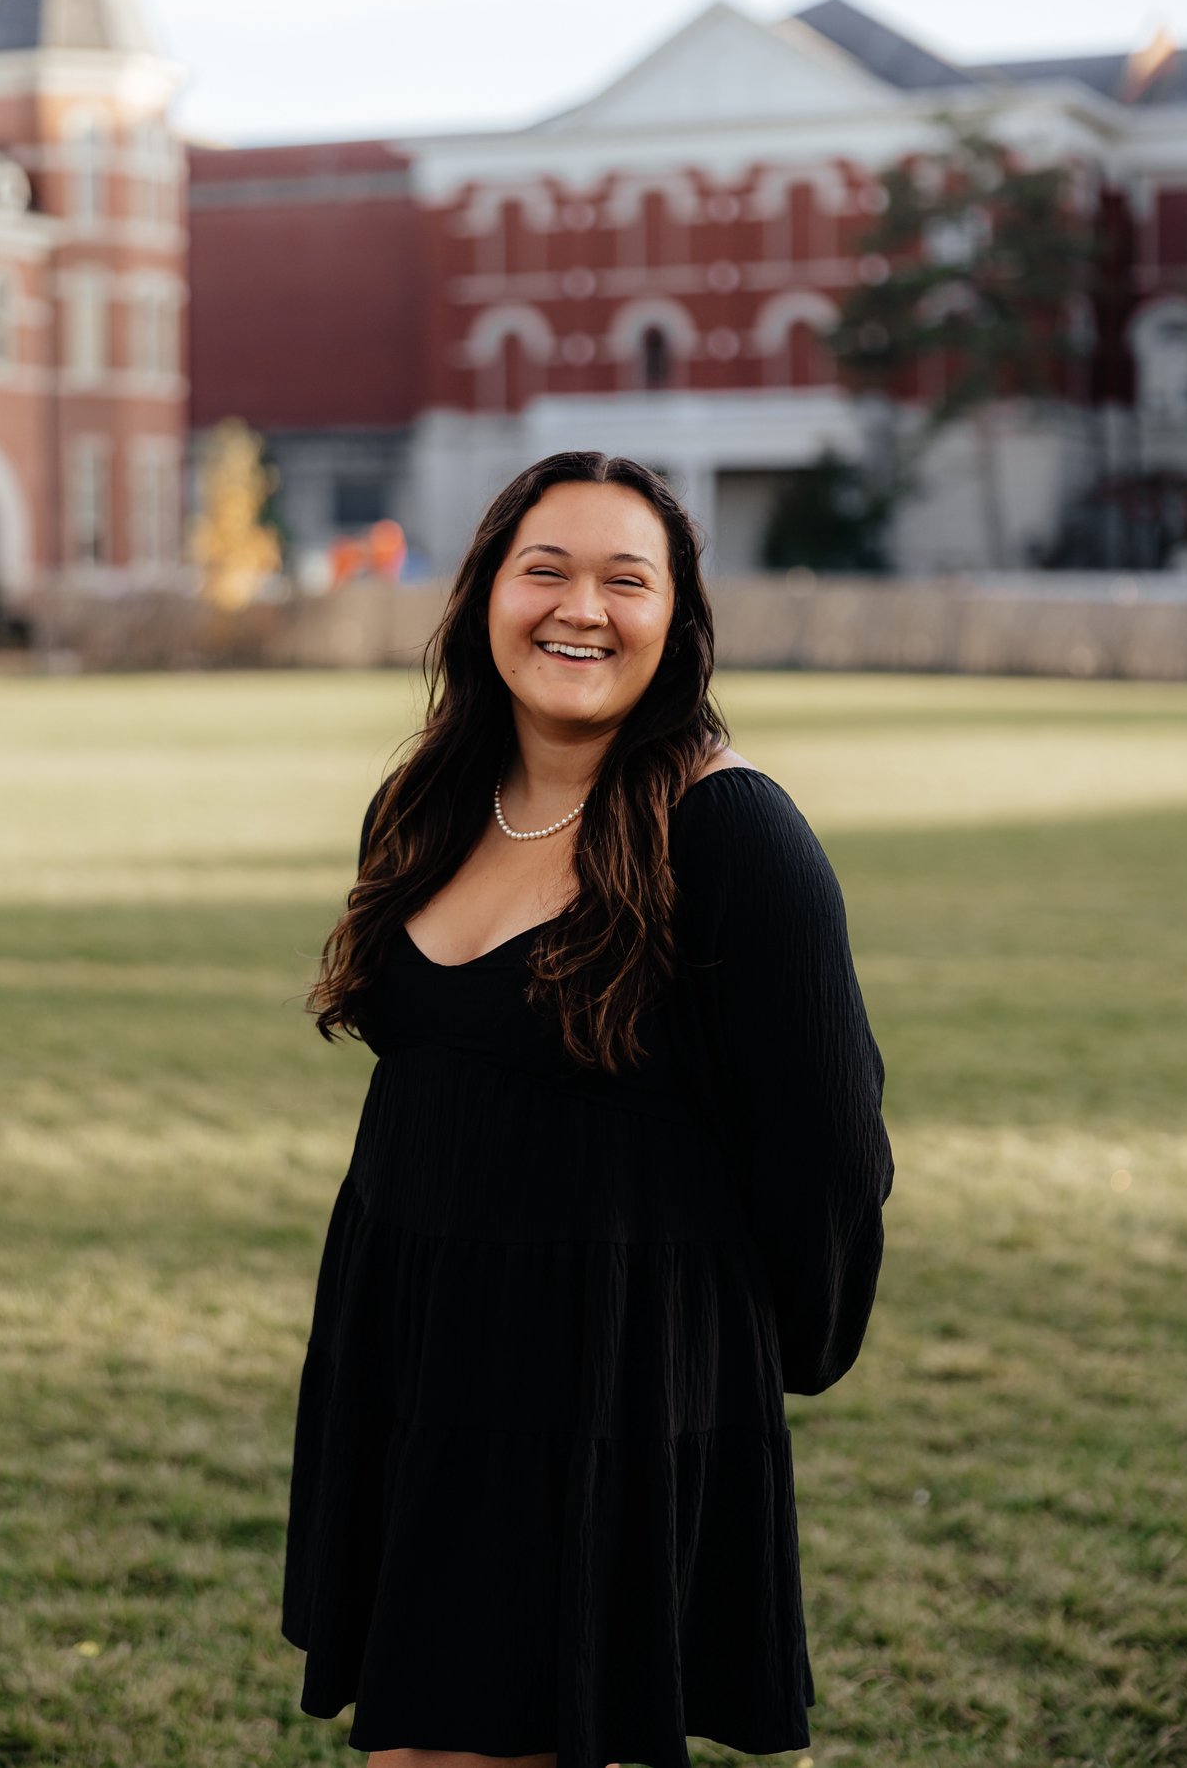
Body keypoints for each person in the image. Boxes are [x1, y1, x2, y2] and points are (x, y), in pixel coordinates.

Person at [281, 450, 894, 1768]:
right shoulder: (425, 801)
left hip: (596, 1379)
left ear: (678, 618)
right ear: (484, 596)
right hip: (411, 1353)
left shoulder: (731, 832)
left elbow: (831, 1147)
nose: (581, 609)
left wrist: (736, 1358)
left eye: (627, 579)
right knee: (413, 1745)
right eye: (544, 570)